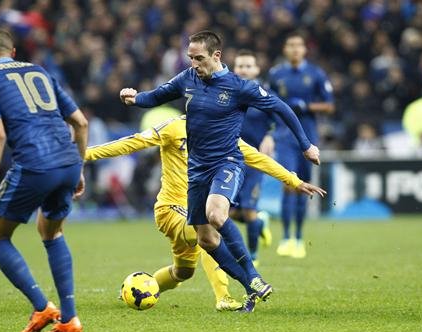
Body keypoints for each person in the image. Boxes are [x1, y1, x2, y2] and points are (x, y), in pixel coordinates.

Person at [120, 30, 320, 312]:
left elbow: (282, 108)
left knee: (216, 214)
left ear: (216, 56)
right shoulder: (187, 79)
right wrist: (134, 97)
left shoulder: (239, 87)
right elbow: (155, 97)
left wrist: (306, 145)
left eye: (199, 58)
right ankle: (250, 284)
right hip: (197, 171)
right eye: (190, 58)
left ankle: (253, 275)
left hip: (227, 163)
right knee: (206, 238)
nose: (194, 64)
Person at [85, 115, 325, 311]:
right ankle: (226, 296)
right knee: (207, 235)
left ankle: (141, 286)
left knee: (183, 272)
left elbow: (259, 159)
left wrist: (294, 181)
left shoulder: (223, 134)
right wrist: (85, 154)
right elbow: (131, 142)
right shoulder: (173, 127)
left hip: (196, 209)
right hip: (170, 210)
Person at [0, 28, 88, 332]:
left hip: (36, 164)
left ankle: (42, 307)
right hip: (67, 161)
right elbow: (81, 122)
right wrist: (80, 169)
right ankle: (70, 319)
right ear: (13, 52)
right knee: (52, 231)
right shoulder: (40, 71)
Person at [267, 31, 335, 259]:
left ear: (305, 50)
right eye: (291, 45)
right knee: (289, 184)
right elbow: (265, 102)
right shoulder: (276, 74)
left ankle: (298, 237)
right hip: (285, 138)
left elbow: (329, 106)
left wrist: (306, 106)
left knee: (303, 187)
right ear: (285, 50)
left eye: (299, 45)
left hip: (309, 138)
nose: (295, 49)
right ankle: (286, 238)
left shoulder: (316, 74)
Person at [229, 49, 276, 266]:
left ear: (257, 69)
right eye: (240, 66)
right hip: (230, 158)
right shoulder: (227, 92)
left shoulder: (264, 94)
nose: (244, 69)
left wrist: (270, 135)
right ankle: (261, 222)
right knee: (227, 212)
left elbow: (280, 119)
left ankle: (253, 257)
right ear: (234, 68)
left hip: (255, 160)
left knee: (248, 209)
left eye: (248, 66)